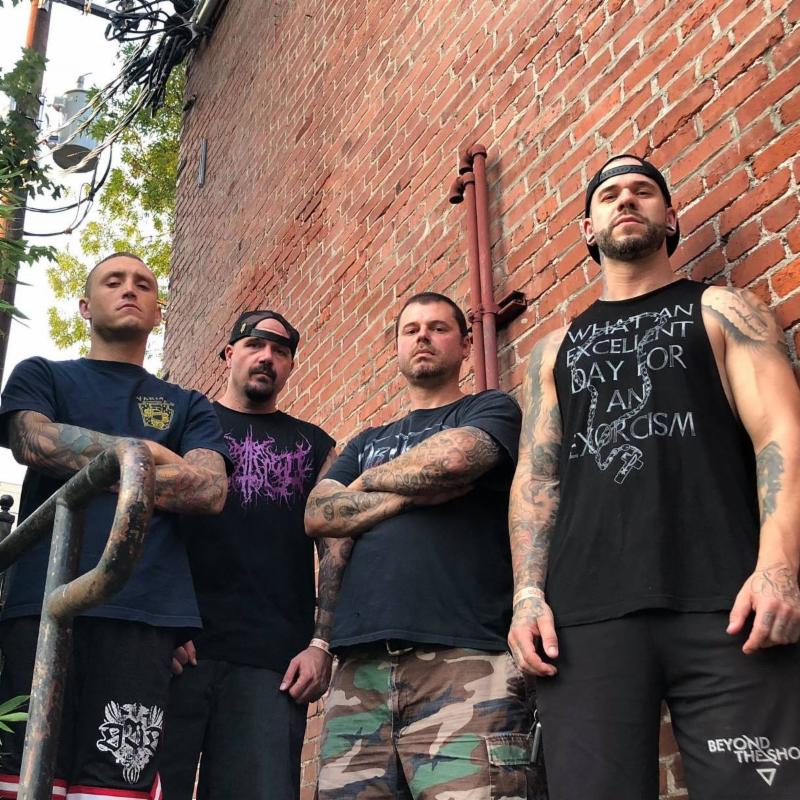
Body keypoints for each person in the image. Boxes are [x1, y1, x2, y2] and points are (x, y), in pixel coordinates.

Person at [508, 155, 800, 800]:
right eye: (610, 193)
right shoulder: (554, 350)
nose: (626, 199)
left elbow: (780, 435)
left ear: (670, 218)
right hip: (583, 618)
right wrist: (527, 595)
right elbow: (537, 477)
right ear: (588, 229)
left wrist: (778, 566)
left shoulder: (722, 310)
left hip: (729, 603)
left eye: (643, 191)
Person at [0, 252, 230, 800]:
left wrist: (93, 459)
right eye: (114, 281)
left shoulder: (188, 404)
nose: (130, 289)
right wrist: (146, 454)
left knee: (115, 788)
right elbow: (33, 441)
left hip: (142, 615)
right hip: (41, 604)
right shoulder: (43, 374)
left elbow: (208, 490)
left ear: (159, 311)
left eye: (144, 284)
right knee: (23, 779)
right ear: (85, 306)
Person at [306, 292, 546, 800]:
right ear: (396, 347)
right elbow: (319, 515)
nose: (423, 337)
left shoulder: (489, 408)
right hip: (359, 673)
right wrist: (409, 492)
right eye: (410, 329)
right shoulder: (366, 441)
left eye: (438, 328)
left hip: (464, 659)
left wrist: (361, 492)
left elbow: (454, 459)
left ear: (465, 344)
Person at [159, 310, 340, 800]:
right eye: (255, 345)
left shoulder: (314, 444)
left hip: (272, 665)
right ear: (229, 354)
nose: (267, 357)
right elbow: (149, 527)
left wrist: (321, 644)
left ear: (290, 366)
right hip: (178, 651)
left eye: (280, 351)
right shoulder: (185, 426)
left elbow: (335, 547)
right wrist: (159, 626)